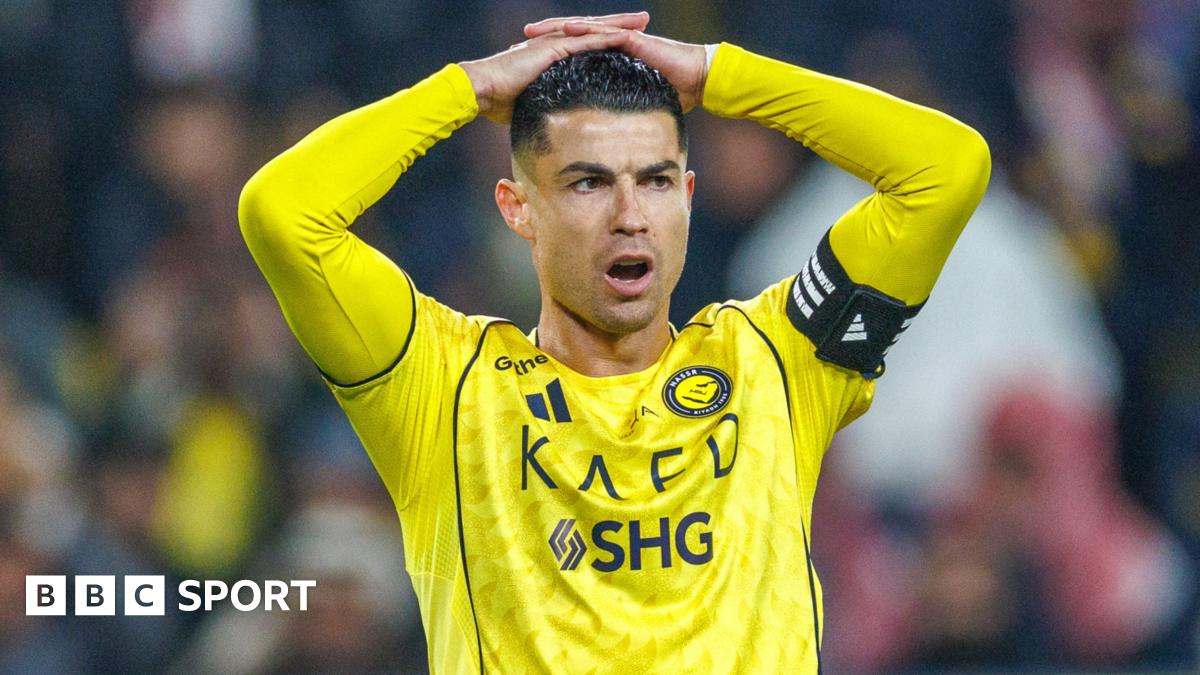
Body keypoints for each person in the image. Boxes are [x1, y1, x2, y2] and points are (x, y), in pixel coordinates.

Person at [239, 12, 989, 673]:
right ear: (518, 208)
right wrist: (468, 88)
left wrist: (719, 75)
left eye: (656, 181)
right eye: (588, 183)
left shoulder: (775, 361)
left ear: (687, 197)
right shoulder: (443, 386)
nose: (631, 216)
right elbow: (284, 213)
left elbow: (945, 172)